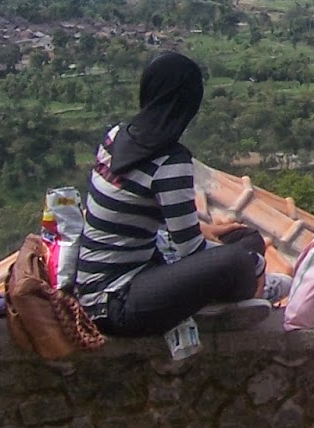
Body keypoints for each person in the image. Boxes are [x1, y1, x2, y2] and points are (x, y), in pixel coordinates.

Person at [75, 52, 273, 336]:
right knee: (241, 260)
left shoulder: (117, 136)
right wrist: (256, 265)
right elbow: (189, 252)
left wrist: (210, 231)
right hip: (116, 302)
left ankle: (206, 304)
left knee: (247, 239)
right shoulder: (170, 162)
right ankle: (232, 301)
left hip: (121, 277)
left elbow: (138, 215)